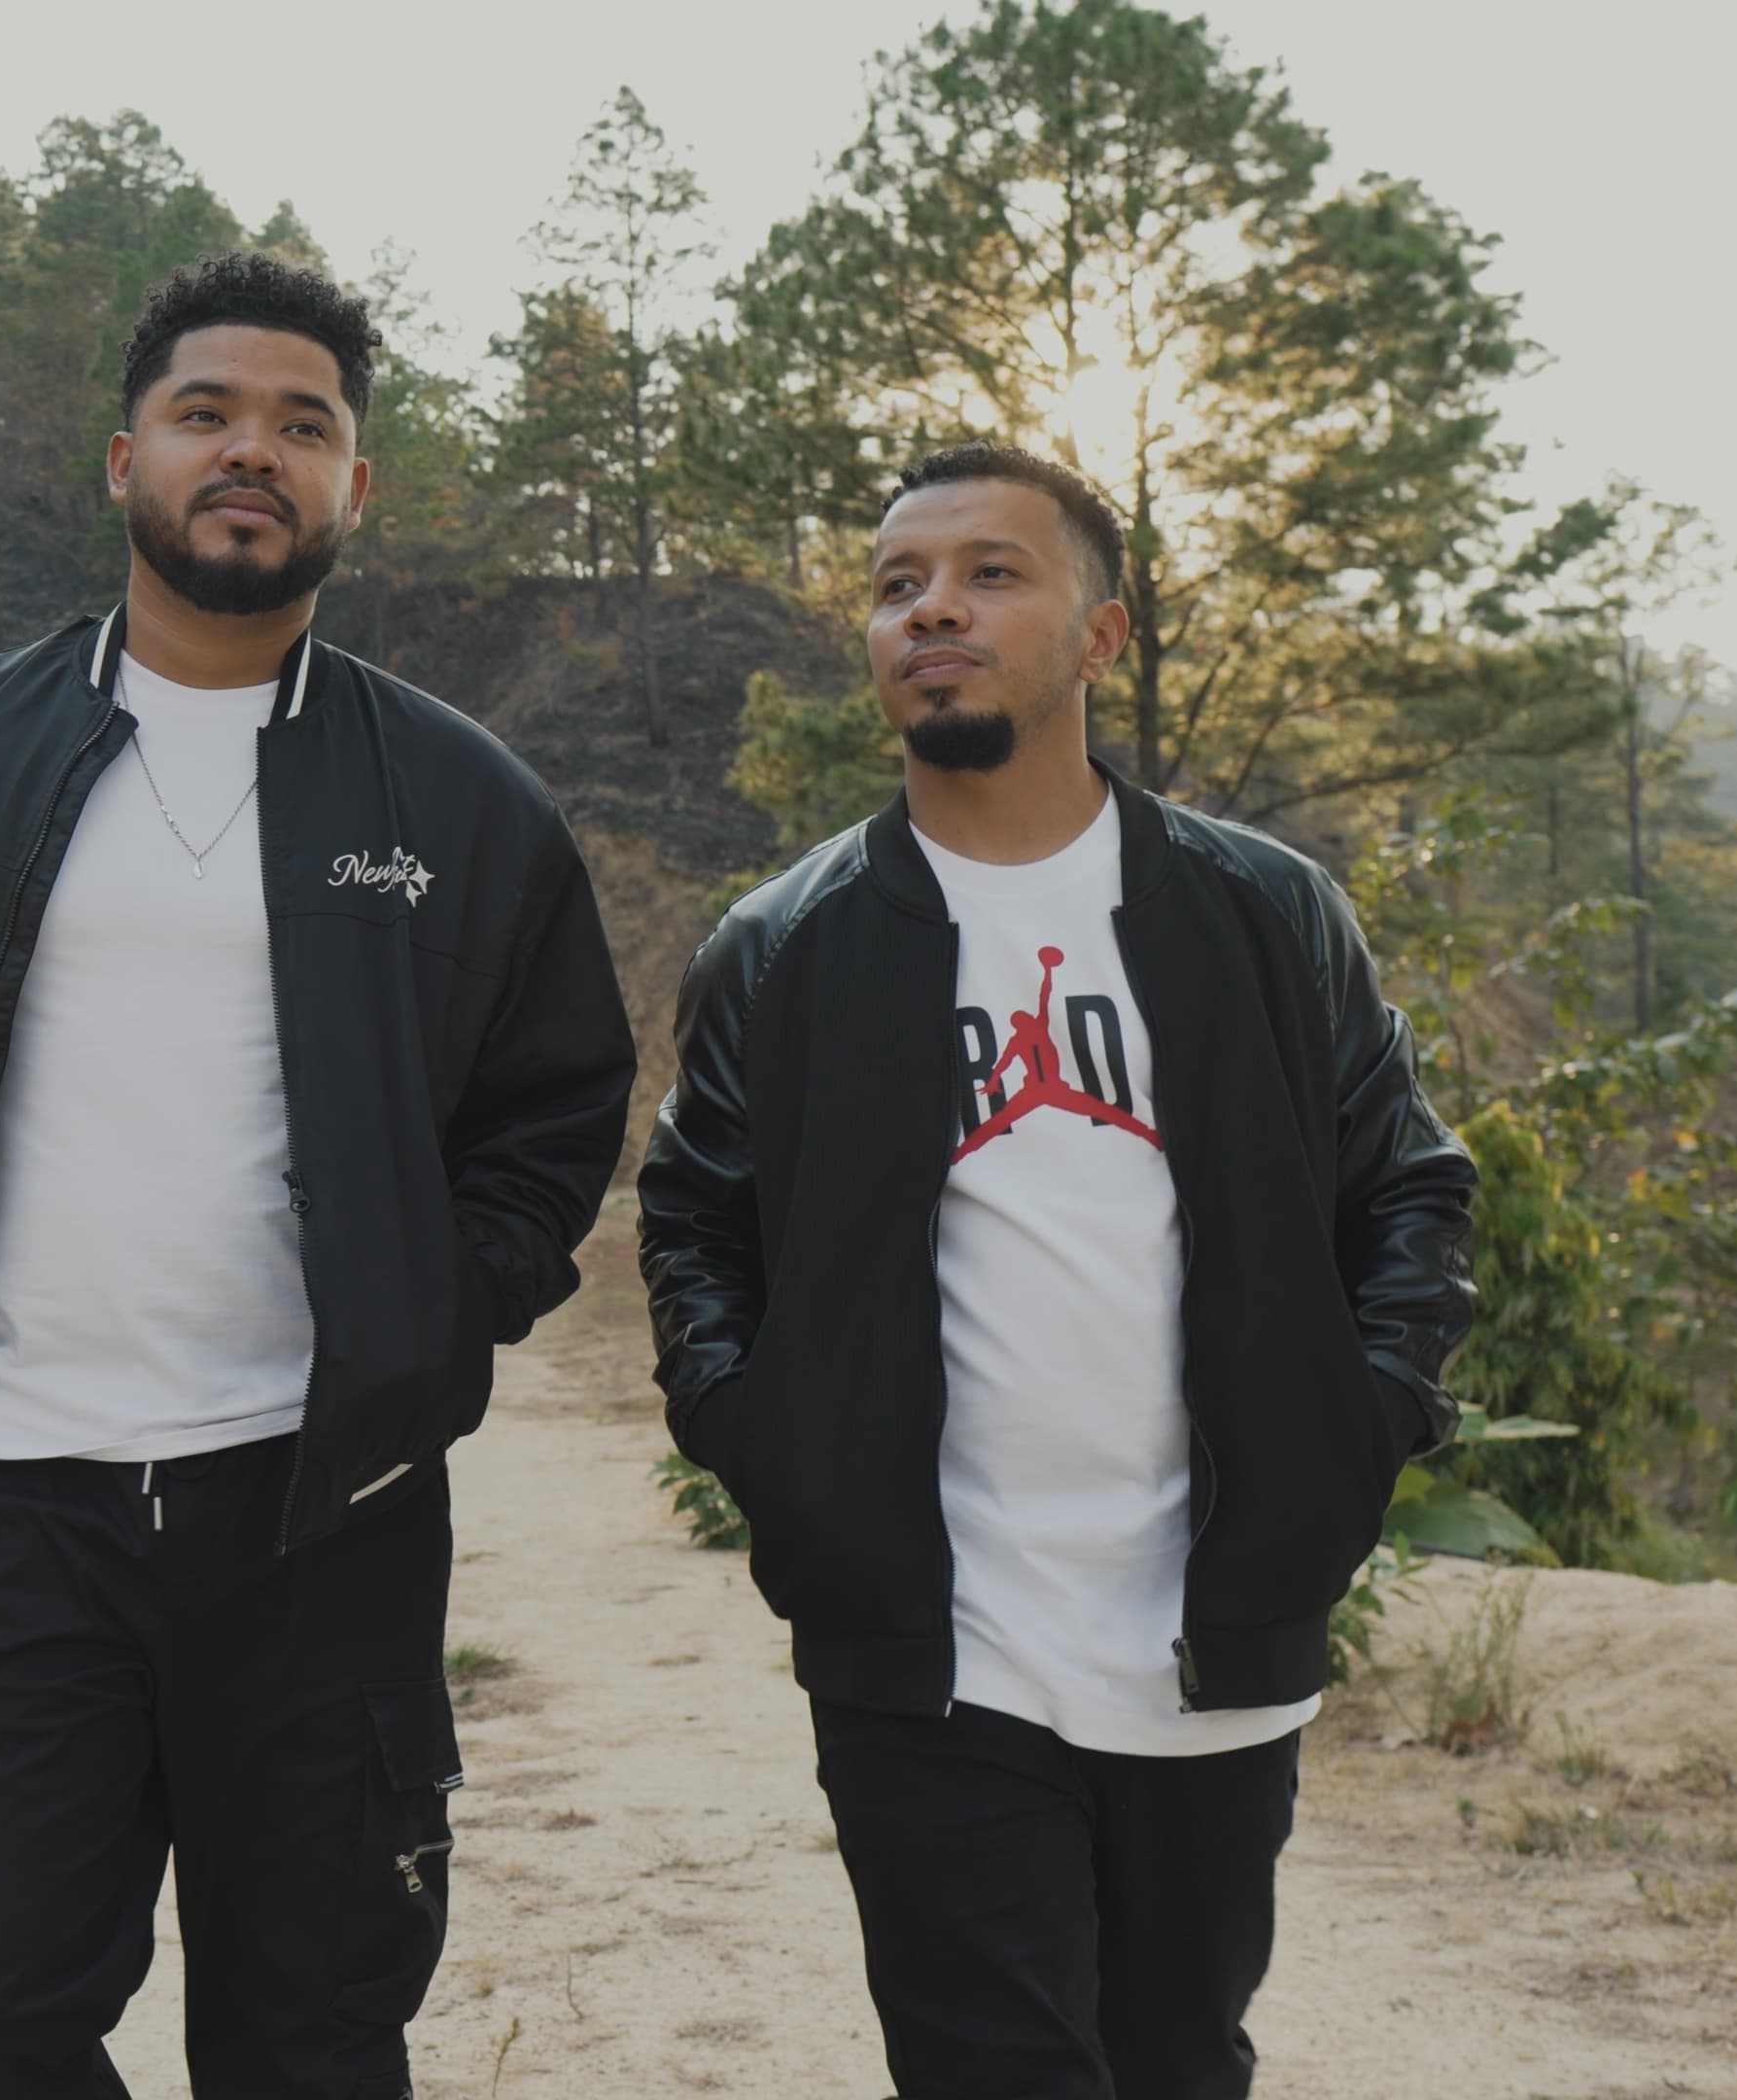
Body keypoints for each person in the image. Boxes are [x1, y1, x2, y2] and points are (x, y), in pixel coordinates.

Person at [0, 251, 635, 2098]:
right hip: (18, 1499)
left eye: (305, 425)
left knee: (312, 2035)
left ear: (357, 488)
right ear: (123, 453)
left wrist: (433, 1315)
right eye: (209, 414)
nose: (251, 452)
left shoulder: (460, 804)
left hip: (323, 1510)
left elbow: (557, 1111)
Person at [636, 442, 1478, 2100]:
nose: (930, 608)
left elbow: (1409, 1188)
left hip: (1210, 1631)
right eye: (896, 586)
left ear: (1101, 639)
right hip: (929, 1648)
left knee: (1179, 2063)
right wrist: (767, 1447)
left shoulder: (1262, 913)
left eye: (989, 574)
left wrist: (1361, 1424)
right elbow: (693, 1224)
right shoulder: (785, 946)